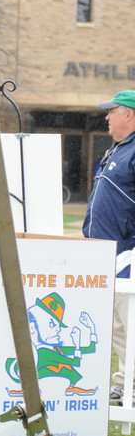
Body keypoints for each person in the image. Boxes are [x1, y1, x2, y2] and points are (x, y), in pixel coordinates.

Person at [83, 89, 135, 406]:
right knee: (117, 324)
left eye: (111, 111)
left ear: (129, 114)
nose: (106, 116)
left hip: (126, 252)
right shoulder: (117, 150)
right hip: (105, 253)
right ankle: (125, 381)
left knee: (129, 322)